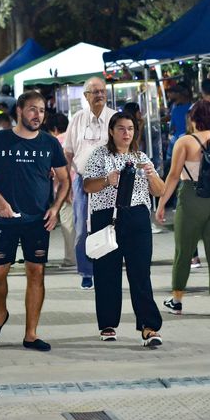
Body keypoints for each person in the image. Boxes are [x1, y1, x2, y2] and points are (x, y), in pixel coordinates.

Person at [0, 91, 69, 352]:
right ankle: (1, 313)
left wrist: (55, 207)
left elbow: (64, 180)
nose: (37, 115)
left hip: (37, 220)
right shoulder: (0, 139)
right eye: (32, 109)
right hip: (5, 219)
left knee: (36, 273)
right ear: (19, 110)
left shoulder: (50, 144)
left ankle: (31, 334)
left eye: (41, 110)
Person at [83, 112, 165, 346]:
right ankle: (108, 324)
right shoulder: (100, 154)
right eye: (121, 128)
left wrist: (150, 175)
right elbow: (87, 185)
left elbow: (159, 191)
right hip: (106, 215)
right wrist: (109, 179)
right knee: (106, 272)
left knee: (140, 273)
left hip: (137, 216)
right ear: (111, 131)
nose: (126, 133)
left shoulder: (140, 156)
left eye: (130, 129)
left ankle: (149, 326)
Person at [156, 100, 210, 317]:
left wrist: (162, 203)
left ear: (192, 119)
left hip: (192, 197)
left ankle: (177, 300)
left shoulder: (185, 142)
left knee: (183, 250)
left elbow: (173, 176)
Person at [63, 77, 117, 290]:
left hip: (109, 183)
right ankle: (86, 271)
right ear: (86, 96)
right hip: (83, 182)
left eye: (102, 91)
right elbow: (67, 152)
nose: (99, 95)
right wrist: (65, 183)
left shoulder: (115, 118)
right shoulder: (77, 118)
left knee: (109, 226)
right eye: (94, 92)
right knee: (82, 229)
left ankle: (108, 269)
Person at [45, 112, 76, 268]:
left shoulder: (55, 142)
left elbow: (55, 170)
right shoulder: (74, 139)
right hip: (81, 186)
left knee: (68, 225)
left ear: (55, 129)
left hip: (65, 190)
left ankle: (71, 259)